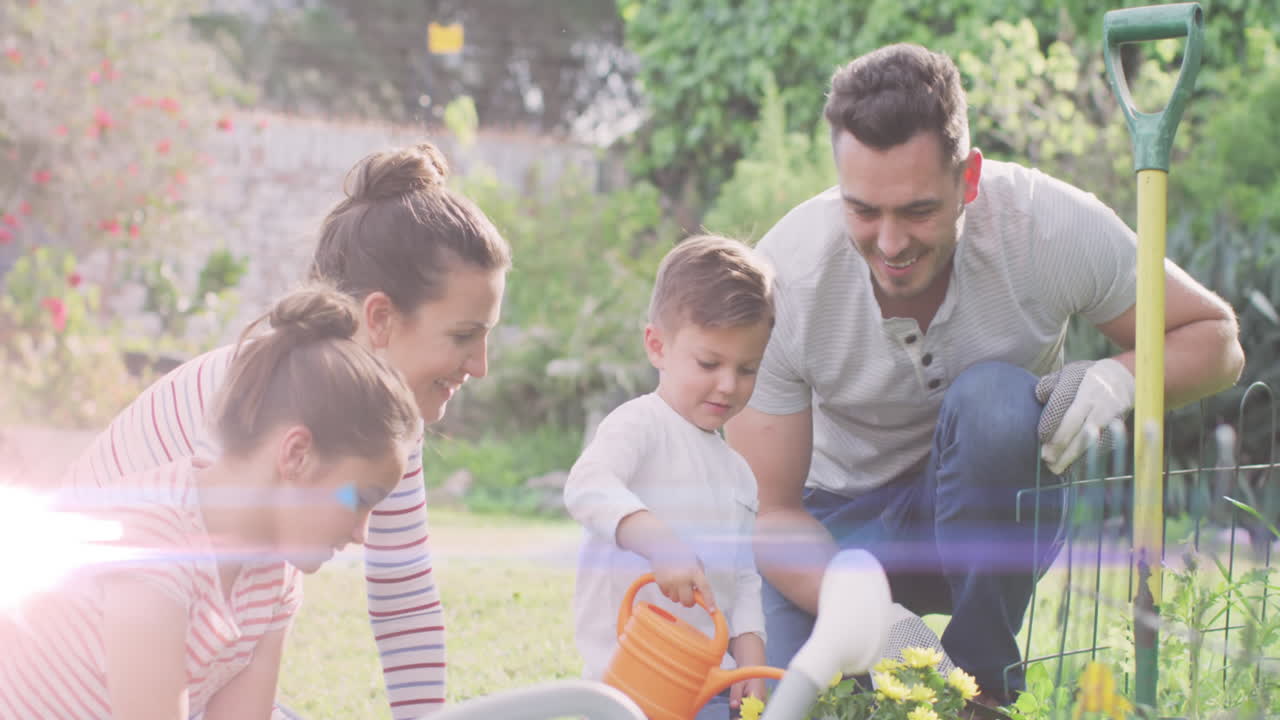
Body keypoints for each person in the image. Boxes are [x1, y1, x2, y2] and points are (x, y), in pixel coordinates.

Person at [723, 44, 1244, 703]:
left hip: (988, 514)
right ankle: (878, 659)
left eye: (918, 211)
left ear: (968, 179)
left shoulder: (1046, 227)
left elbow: (1217, 339)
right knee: (780, 700)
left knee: (998, 402)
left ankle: (980, 694)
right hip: (837, 531)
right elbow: (773, 514)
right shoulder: (788, 279)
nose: (890, 243)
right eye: (863, 211)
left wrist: (1120, 377)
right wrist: (870, 616)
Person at [61, 141, 511, 718]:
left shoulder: (380, 425)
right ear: (380, 318)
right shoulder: (253, 398)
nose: (480, 365)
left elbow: (403, 601)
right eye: (463, 335)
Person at [0, 285, 421, 719]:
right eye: (360, 499)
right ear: (296, 455)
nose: (362, 532)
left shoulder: (277, 573)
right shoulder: (155, 542)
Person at [563, 235, 775, 720]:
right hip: (628, 683)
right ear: (657, 346)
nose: (728, 384)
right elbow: (587, 485)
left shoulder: (738, 472)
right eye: (709, 363)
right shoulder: (641, 424)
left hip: (708, 684)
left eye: (748, 368)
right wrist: (660, 542)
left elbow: (742, 579)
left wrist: (752, 660)